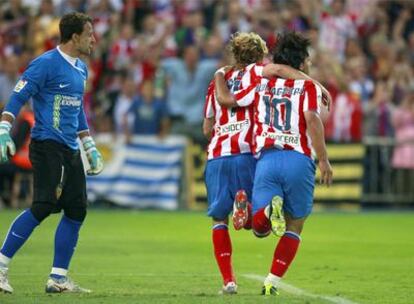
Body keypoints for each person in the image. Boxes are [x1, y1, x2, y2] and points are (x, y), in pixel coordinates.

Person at [203, 32, 329, 295]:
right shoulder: (261, 74)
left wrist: (217, 75)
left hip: (220, 154)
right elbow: (284, 70)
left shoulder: (219, 83)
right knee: (272, 225)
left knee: (220, 219)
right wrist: (317, 84)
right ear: (261, 55)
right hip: (254, 155)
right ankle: (270, 273)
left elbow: (208, 125)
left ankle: (229, 281)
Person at [0, 12, 104, 294]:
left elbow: (77, 109)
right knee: (44, 205)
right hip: (47, 145)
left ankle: (57, 278)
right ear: (74, 37)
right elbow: (18, 95)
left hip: (70, 149)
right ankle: (0, 266)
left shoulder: (81, 68)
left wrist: (88, 144)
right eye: (89, 34)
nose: (94, 39)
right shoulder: (45, 64)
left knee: (77, 209)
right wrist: (4, 128)